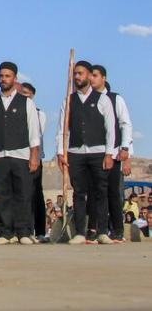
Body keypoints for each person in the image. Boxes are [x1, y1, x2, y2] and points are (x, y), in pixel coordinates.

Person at [55, 60, 117, 245]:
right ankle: (80, 232)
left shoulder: (102, 99)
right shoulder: (69, 100)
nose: (77, 77)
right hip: (75, 153)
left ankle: (102, 232)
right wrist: (60, 152)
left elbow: (110, 129)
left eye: (80, 73)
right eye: (75, 73)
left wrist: (109, 154)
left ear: (90, 76)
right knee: (79, 193)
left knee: (100, 191)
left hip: (98, 152)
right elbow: (61, 129)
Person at [0, 62, 41, 245]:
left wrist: (34, 156)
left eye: (7, 76)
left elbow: (34, 131)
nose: (3, 79)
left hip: (21, 155)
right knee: (2, 195)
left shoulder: (26, 103)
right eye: (1, 76)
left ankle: (23, 231)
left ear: (15, 79)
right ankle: (5, 232)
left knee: (23, 194)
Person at [90, 65, 133, 243]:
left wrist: (126, 151)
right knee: (94, 193)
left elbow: (125, 124)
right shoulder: (87, 100)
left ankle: (117, 230)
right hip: (93, 155)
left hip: (113, 154)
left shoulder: (115, 99)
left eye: (95, 75)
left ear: (103, 78)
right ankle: (97, 229)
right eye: (90, 75)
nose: (91, 79)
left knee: (113, 193)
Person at [20, 83, 48, 241]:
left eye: (27, 94)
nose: (24, 96)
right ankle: (24, 229)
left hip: (34, 158)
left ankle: (40, 231)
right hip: (19, 157)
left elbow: (36, 134)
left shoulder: (39, 114)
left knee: (36, 194)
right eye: (22, 93)